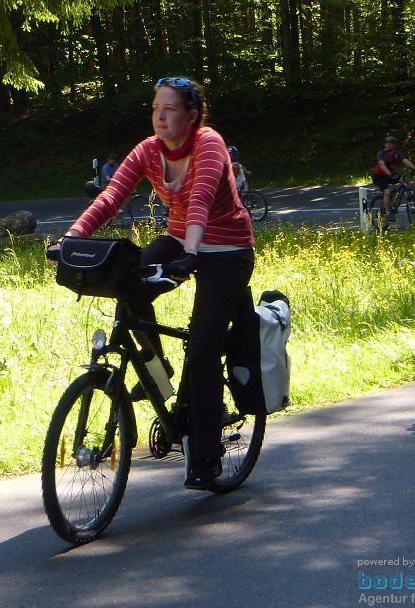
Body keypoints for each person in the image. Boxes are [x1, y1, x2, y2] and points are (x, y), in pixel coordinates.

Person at [56, 76, 255, 491]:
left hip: (226, 250)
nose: (159, 116)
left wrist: (192, 255)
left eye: (169, 109)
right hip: (181, 239)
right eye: (154, 108)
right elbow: (111, 197)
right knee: (129, 288)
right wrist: (72, 238)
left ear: (192, 115)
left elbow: (200, 199)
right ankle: (158, 371)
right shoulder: (148, 150)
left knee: (202, 350)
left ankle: (205, 457)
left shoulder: (209, 143)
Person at [372, 136, 415, 221]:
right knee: (387, 192)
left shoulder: (396, 154)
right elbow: (382, 165)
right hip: (379, 176)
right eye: (387, 143)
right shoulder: (382, 153)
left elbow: (404, 160)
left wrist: (414, 168)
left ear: (393, 145)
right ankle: (388, 212)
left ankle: (394, 200)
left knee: (403, 180)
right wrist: (388, 172)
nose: (388, 145)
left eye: (390, 143)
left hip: (389, 175)